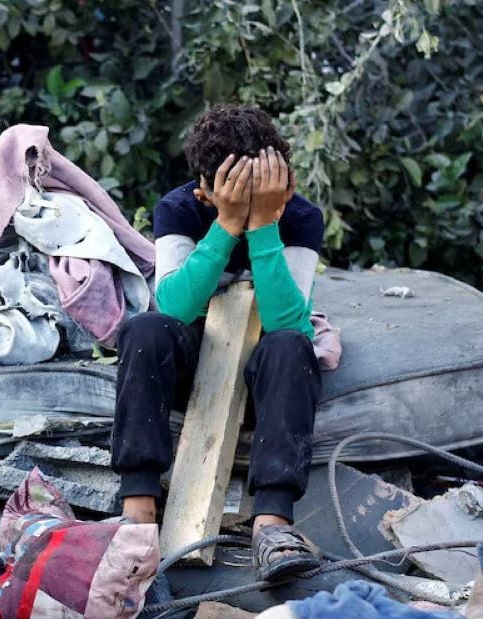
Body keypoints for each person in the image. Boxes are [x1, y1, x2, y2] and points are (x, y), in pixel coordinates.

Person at [110, 104, 325, 580]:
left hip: (265, 374)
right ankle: (139, 506)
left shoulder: (300, 217)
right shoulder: (181, 208)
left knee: (293, 344)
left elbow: (286, 318)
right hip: (191, 357)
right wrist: (226, 225)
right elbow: (174, 307)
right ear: (205, 192)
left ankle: (272, 523)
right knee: (144, 329)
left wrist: (265, 225)